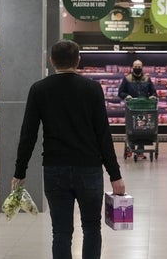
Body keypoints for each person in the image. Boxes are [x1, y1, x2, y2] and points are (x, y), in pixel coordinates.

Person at [12, 39, 125, 259]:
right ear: (78, 60)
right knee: (92, 227)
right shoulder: (92, 89)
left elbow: (28, 135)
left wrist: (20, 171)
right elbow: (103, 134)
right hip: (89, 169)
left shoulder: (39, 89)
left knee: (61, 232)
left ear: (52, 60)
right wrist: (115, 175)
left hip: (55, 169)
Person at [118, 60, 158, 158]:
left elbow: (153, 92)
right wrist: (126, 96)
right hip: (131, 108)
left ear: (142, 67)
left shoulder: (147, 79)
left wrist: (153, 96)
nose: (137, 68)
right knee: (132, 127)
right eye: (135, 66)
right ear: (132, 67)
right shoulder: (127, 79)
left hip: (144, 108)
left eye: (139, 66)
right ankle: (131, 148)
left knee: (142, 127)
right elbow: (120, 92)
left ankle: (140, 150)